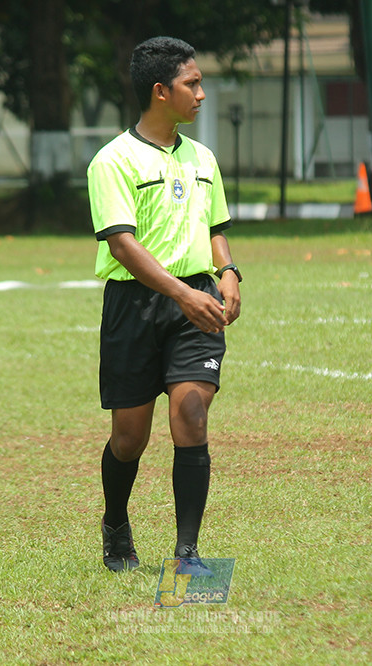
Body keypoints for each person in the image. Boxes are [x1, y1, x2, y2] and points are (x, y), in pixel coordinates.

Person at [87, 36, 241, 573]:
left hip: (195, 299)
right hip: (134, 305)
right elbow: (123, 245)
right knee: (129, 439)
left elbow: (216, 227)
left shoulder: (204, 159)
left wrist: (227, 273)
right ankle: (115, 524)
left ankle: (187, 554)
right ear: (160, 91)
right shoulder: (113, 160)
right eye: (191, 83)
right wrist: (182, 294)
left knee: (191, 415)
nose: (202, 93)